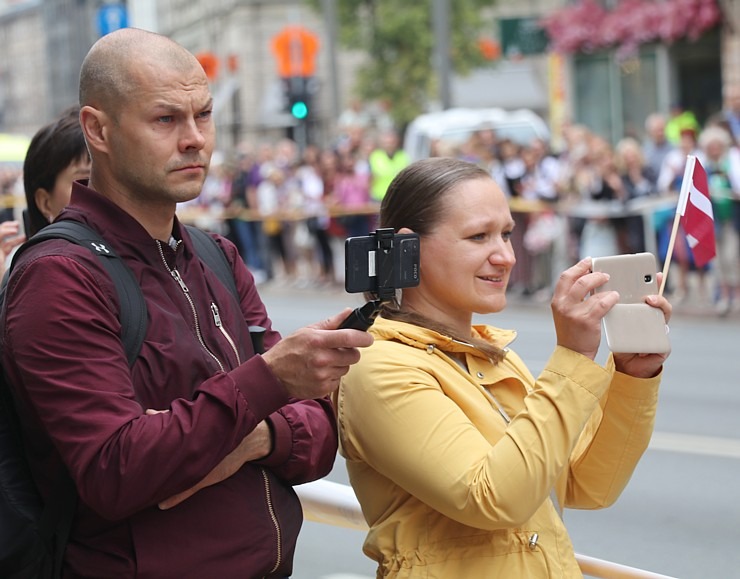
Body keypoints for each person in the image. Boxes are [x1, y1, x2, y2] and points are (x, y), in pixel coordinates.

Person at [0, 28, 373, 578]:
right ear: (97, 130)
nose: (195, 138)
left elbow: (319, 437)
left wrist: (252, 437)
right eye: (166, 119)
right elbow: (116, 469)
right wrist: (267, 383)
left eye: (204, 114)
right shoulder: (59, 274)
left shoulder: (213, 253)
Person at [336, 157, 671, 578]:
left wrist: (631, 375)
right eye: (479, 237)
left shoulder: (494, 354)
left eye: (508, 234)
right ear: (409, 247)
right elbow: (494, 498)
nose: (507, 257)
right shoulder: (378, 366)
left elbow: (586, 484)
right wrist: (572, 358)